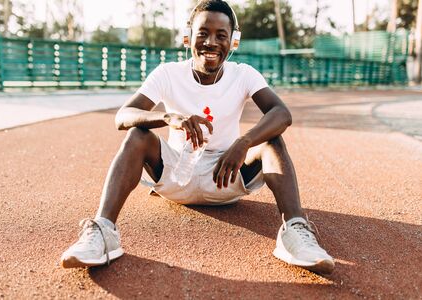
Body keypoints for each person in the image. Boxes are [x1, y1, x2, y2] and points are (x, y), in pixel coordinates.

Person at [60, 0, 335, 274]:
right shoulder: (168, 73)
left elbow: (281, 113)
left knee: (272, 141)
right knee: (137, 136)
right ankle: (103, 232)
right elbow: (123, 115)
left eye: (221, 35)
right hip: (176, 176)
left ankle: (294, 233)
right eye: (203, 33)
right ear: (187, 37)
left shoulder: (243, 75)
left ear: (234, 41)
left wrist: (244, 142)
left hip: (225, 177)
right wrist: (169, 118)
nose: (211, 42)